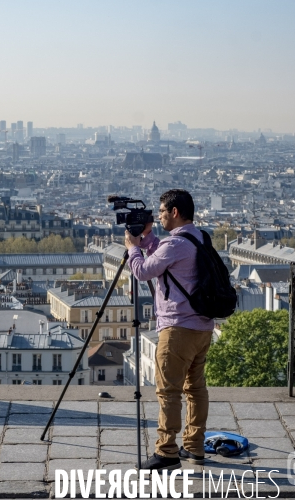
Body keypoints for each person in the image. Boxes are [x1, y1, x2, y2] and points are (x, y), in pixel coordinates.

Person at [125, 189, 214, 472]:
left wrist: (132, 247)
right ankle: (194, 446)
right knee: (196, 388)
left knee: (168, 391)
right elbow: (164, 257)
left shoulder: (175, 245)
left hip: (178, 328)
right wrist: (148, 238)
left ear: (175, 212)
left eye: (162, 211)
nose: (159, 215)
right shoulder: (199, 237)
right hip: (202, 327)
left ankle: (166, 451)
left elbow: (142, 272)